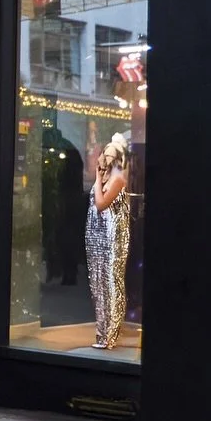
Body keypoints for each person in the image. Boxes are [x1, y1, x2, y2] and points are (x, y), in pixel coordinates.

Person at [84, 133, 131, 349]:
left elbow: (101, 204)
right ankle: (101, 332)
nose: (105, 158)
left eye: (110, 155)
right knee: (97, 283)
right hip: (96, 235)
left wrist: (96, 179)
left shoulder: (118, 179)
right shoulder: (105, 177)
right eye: (105, 153)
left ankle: (110, 334)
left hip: (112, 238)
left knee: (111, 282)